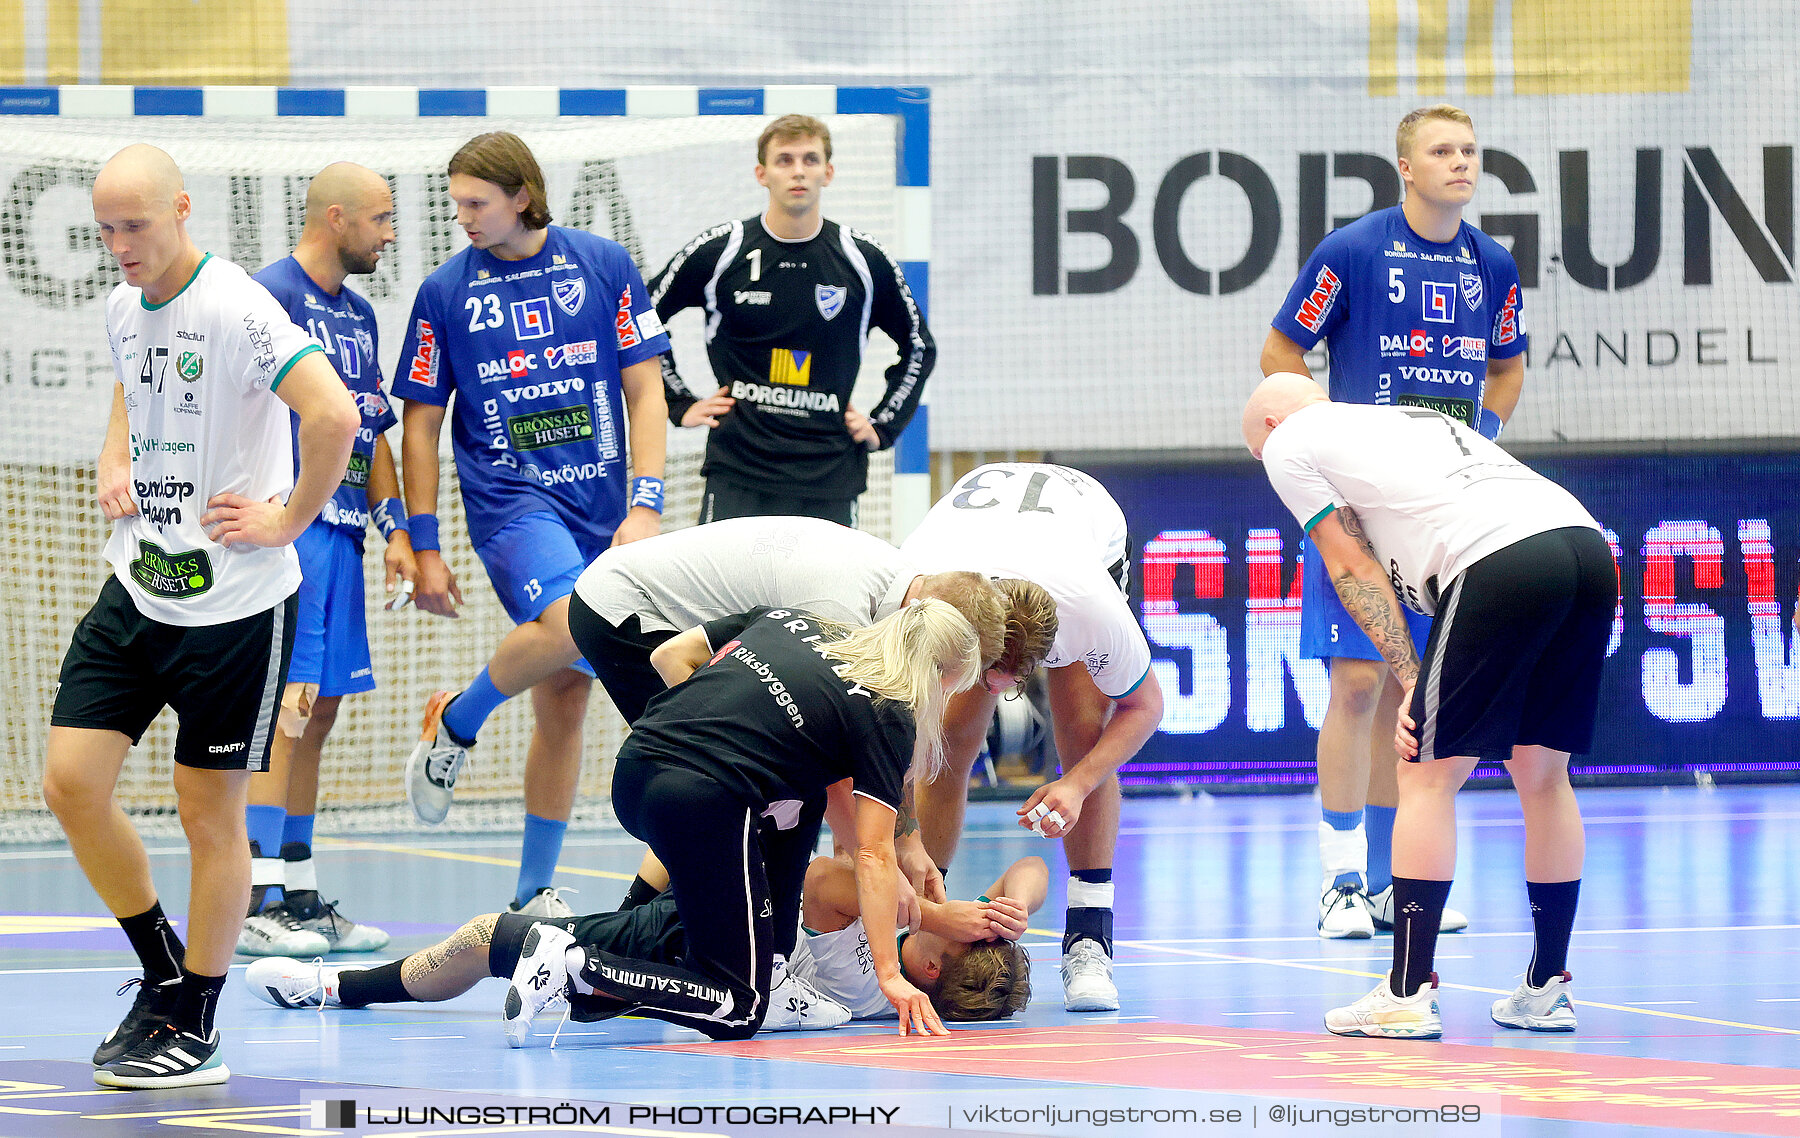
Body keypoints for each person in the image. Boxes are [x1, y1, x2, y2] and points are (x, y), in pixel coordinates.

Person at [43, 144, 357, 1088]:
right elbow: (128, 385)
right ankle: (162, 972)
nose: (119, 246)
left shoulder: (240, 307)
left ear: (181, 209)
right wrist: (114, 456)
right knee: (70, 781)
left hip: (235, 607)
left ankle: (200, 1020)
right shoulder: (118, 305)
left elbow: (333, 416)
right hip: (138, 587)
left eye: (135, 225)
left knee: (205, 813)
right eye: (104, 230)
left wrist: (288, 517)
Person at [1244, 373, 1613, 1039]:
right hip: (1585, 544)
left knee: (1423, 770)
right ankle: (1546, 988)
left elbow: (1349, 566)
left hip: (1497, 556)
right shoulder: (1398, 420)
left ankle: (1407, 992)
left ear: (1271, 427)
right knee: (1544, 775)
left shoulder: (1287, 440)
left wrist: (1411, 675)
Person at [1260, 104, 1526, 939]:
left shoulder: (1494, 264)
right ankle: (1339, 881)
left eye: (1469, 150)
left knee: (1418, 687)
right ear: (1405, 167)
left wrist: (1478, 438)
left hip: (1446, 503)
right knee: (1358, 683)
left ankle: (1387, 878)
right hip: (1363, 499)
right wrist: (1323, 441)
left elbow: (1508, 368)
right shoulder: (1351, 251)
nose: (1460, 162)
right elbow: (1279, 354)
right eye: (1441, 150)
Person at [390, 132, 670, 920]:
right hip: (511, 502)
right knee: (573, 620)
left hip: (605, 504)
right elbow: (420, 425)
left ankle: (529, 892)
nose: (464, 219)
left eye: (476, 203)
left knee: (565, 700)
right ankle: (460, 720)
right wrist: (425, 540)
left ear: (523, 195)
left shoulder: (603, 264)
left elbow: (647, 392)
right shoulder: (446, 292)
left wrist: (644, 502)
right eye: (456, 205)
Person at [564, 515, 1045, 905]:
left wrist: (910, 838)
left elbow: (871, 756)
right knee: (734, 791)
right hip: (627, 611)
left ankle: (672, 919)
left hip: (671, 617)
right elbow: (837, 773)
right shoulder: (841, 612)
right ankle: (663, 933)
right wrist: (876, 869)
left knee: (767, 791)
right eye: (945, 670)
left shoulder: (904, 592)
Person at [901, 463, 1166, 1014]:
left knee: (1082, 729)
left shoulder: (1090, 609)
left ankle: (1090, 937)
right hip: (973, 546)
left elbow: (1147, 706)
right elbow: (893, 742)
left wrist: (1076, 783)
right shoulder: (922, 589)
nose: (1002, 690)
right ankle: (928, 915)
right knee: (943, 740)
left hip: (1080, 521)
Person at [241, 854, 1043, 1034]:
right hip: (684, 940)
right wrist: (1012, 908)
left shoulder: (875, 942)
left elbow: (831, 882)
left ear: (934, 961)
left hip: (691, 940)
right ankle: (336, 990)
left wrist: (943, 909)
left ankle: (337, 990)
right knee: (496, 945)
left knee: (490, 939)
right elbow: (1031, 870)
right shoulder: (905, 985)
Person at [237, 162, 412, 959]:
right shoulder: (267, 294)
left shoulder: (361, 316)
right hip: (294, 531)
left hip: (343, 534)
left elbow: (370, 427)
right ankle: (256, 898)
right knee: (287, 709)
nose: (390, 233)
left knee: (323, 712)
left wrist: (397, 530)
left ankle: (299, 890)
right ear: (335, 217)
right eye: (380, 218)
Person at [650, 113, 934, 525]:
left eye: (810, 159)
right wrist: (679, 402)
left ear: (828, 172)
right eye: (784, 160)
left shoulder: (863, 259)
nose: (798, 171)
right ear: (761, 173)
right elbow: (638, 317)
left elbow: (920, 345)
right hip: (738, 472)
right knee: (726, 591)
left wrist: (883, 424)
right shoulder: (722, 250)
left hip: (829, 476)